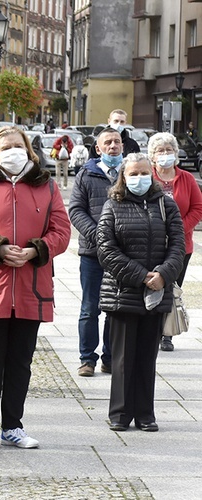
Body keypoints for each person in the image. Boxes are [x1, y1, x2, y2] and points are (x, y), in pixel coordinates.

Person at [0, 127, 70, 451]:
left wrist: (36, 249)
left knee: (21, 362)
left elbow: (61, 229)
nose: (13, 151)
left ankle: (13, 426)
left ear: (29, 151)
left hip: (31, 285)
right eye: (6, 146)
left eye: (18, 145)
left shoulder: (46, 184)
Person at [97, 153, 185, 432]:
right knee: (122, 358)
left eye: (144, 173)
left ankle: (145, 413)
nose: (139, 178)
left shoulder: (166, 205)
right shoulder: (113, 205)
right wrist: (141, 275)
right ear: (124, 176)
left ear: (152, 174)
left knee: (147, 356)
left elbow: (178, 245)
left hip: (157, 293)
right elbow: (105, 250)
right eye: (133, 174)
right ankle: (120, 413)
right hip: (123, 292)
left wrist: (163, 274)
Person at [69, 127, 123, 377]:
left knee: (116, 307)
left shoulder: (130, 171)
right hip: (93, 254)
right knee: (90, 308)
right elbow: (76, 211)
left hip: (123, 256)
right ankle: (87, 358)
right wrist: (100, 237)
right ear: (98, 148)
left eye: (117, 142)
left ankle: (110, 358)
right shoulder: (86, 174)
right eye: (108, 142)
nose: (113, 146)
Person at [148, 133, 202, 352]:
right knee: (151, 285)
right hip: (151, 243)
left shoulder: (187, 179)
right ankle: (149, 329)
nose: (165, 154)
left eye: (168, 150)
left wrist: (179, 230)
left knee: (172, 287)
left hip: (180, 246)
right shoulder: (147, 177)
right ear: (152, 156)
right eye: (160, 151)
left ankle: (166, 333)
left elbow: (197, 208)